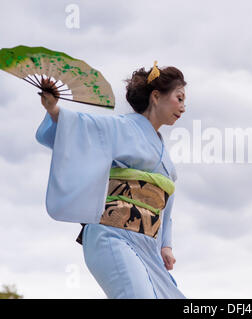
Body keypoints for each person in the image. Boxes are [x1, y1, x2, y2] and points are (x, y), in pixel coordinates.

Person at [35, 62, 187, 299]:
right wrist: (55, 110)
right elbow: (82, 127)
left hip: (148, 246)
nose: (183, 107)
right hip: (112, 235)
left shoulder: (163, 152)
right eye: (179, 98)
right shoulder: (121, 127)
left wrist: (166, 245)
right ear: (156, 96)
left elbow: (166, 203)